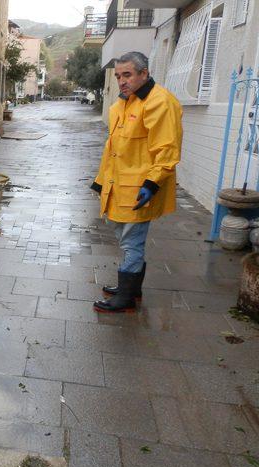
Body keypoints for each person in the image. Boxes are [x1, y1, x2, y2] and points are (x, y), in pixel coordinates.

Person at [91, 51, 183, 313]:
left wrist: (152, 184)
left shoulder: (159, 103)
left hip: (139, 188)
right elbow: (114, 149)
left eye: (127, 75)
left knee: (132, 241)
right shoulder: (125, 103)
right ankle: (131, 287)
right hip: (118, 185)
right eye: (119, 76)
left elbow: (167, 150)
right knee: (124, 237)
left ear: (144, 73)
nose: (122, 81)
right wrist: (100, 181)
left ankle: (126, 299)